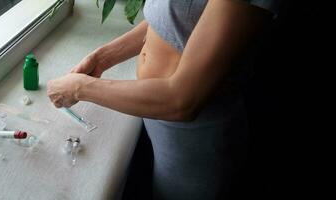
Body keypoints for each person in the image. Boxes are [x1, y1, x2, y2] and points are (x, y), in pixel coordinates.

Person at [47, 0, 281, 199]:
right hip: (162, 125)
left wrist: (79, 88)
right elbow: (172, 20)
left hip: (196, 144)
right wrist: (102, 58)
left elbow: (182, 100)